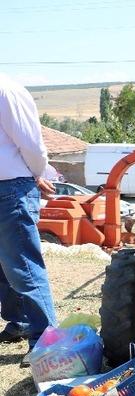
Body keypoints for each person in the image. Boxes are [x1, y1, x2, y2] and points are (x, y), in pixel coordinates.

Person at [0, 73, 58, 351]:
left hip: (10, 187)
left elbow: (32, 145)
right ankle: (21, 322)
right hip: (8, 185)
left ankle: (45, 341)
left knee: (23, 264)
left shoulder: (6, 91)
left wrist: (36, 174)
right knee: (5, 263)